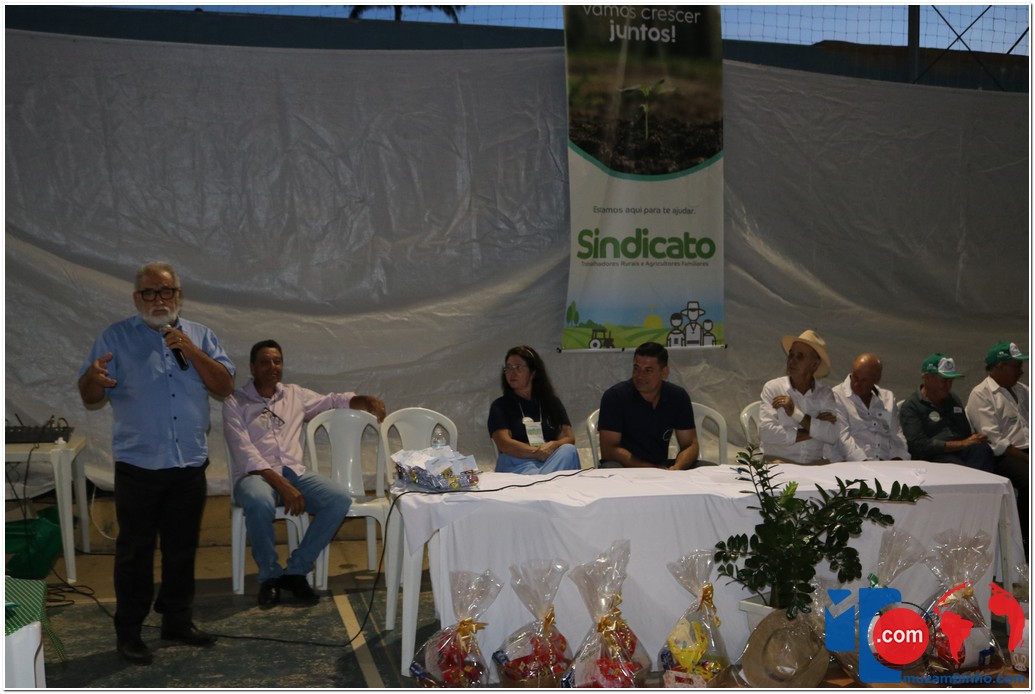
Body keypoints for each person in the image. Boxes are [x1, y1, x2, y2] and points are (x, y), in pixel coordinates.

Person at [78, 261, 236, 665]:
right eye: (149, 292)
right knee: (136, 553)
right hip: (139, 466)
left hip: (188, 465)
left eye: (166, 291)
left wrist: (191, 350)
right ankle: (129, 632)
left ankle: (176, 621)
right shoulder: (115, 337)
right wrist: (93, 379)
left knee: (182, 549)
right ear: (137, 298)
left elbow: (224, 386)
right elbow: (89, 395)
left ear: (178, 296)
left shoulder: (200, 335)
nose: (159, 299)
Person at [223, 339, 387, 606]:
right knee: (258, 501)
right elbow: (244, 452)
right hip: (255, 477)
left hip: (294, 472)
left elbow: (331, 401)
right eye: (265, 362)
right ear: (252, 367)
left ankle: (296, 571)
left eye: (277, 361)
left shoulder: (294, 395)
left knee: (338, 500)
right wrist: (282, 486)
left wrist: (364, 399)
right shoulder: (234, 402)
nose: (272, 367)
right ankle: (270, 576)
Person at [965, 340, 1028, 552]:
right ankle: (1025, 542)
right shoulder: (982, 394)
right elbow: (994, 440)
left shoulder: (1023, 391)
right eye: (1016, 366)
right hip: (1004, 455)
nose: (1021, 371)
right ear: (999, 366)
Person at [598, 341, 699, 470]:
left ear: (664, 372)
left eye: (648, 370)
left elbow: (690, 444)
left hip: (662, 466)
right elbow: (609, 450)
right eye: (636, 368)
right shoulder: (615, 397)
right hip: (625, 467)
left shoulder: (678, 396)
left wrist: (677, 467)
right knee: (610, 467)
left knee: (706, 467)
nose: (640, 376)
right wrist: (651, 469)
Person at [487, 345, 581, 474]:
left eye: (518, 367)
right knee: (554, 474)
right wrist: (535, 452)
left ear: (533, 373)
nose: (512, 373)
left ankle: (541, 482)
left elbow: (568, 437)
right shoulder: (500, 405)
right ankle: (544, 483)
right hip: (518, 462)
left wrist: (554, 445)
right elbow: (504, 443)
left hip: (550, 459)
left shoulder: (551, 402)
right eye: (508, 368)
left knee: (568, 450)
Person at [899, 353, 994, 472]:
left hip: (960, 450)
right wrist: (961, 444)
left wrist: (972, 440)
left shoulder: (953, 399)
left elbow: (964, 432)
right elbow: (918, 445)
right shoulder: (911, 406)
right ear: (927, 377)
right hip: (933, 457)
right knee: (957, 466)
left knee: (982, 450)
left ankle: (980, 482)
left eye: (951, 381)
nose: (948, 386)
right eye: (944, 380)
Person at [758, 329, 838, 464]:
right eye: (791, 355)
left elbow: (832, 435)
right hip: (779, 462)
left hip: (814, 464)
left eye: (800, 357)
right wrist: (814, 429)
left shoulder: (825, 394)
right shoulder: (773, 388)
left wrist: (795, 413)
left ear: (814, 364)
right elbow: (766, 433)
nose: (792, 361)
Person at [832, 353, 910, 461]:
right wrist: (865, 464)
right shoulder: (837, 395)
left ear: (876, 379)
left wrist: (897, 460)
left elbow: (896, 435)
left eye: (864, 380)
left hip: (886, 463)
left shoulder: (887, 398)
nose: (856, 384)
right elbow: (842, 437)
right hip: (853, 464)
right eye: (855, 377)